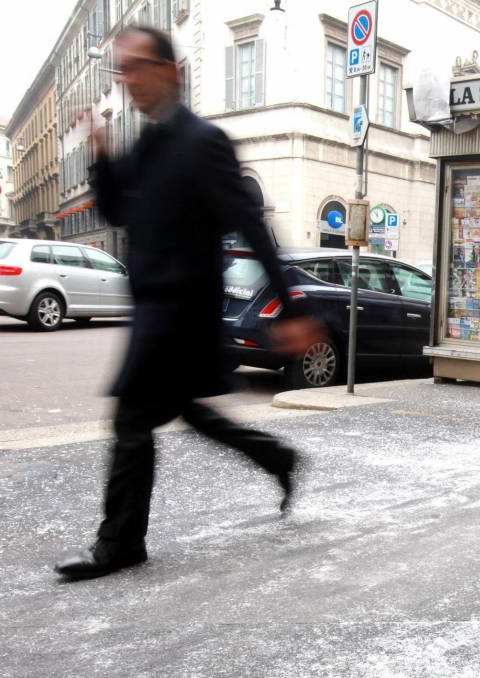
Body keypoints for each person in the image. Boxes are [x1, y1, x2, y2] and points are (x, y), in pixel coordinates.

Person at [53, 26, 324, 580]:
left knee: (132, 418)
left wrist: (293, 308)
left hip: (181, 312)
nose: (127, 82)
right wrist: (102, 154)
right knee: (188, 414)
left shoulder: (203, 141)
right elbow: (119, 212)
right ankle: (278, 457)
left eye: (136, 67)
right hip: (154, 308)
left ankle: (121, 543)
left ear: (170, 71)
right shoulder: (148, 143)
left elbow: (252, 224)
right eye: (120, 71)